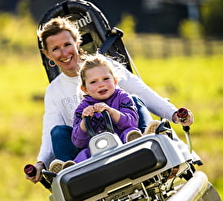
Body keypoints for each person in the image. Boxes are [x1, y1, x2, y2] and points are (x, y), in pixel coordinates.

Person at [26, 17, 193, 184]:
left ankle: (147, 140)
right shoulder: (54, 91)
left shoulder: (105, 67)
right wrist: (41, 163)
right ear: (47, 54)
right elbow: (49, 133)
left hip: (124, 133)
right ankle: (69, 169)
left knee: (134, 99)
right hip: (88, 147)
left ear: (77, 43)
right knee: (58, 131)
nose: (64, 53)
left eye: (67, 44)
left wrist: (175, 114)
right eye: (55, 48)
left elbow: (144, 93)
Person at [72, 54, 141, 163]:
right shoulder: (82, 108)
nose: (101, 84)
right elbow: (78, 142)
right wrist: (84, 121)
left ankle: (135, 143)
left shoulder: (123, 97)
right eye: (93, 82)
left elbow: (132, 122)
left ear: (115, 81)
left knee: (130, 131)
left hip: (122, 142)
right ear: (85, 89)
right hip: (97, 149)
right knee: (83, 153)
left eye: (105, 79)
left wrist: (111, 111)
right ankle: (70, 167)